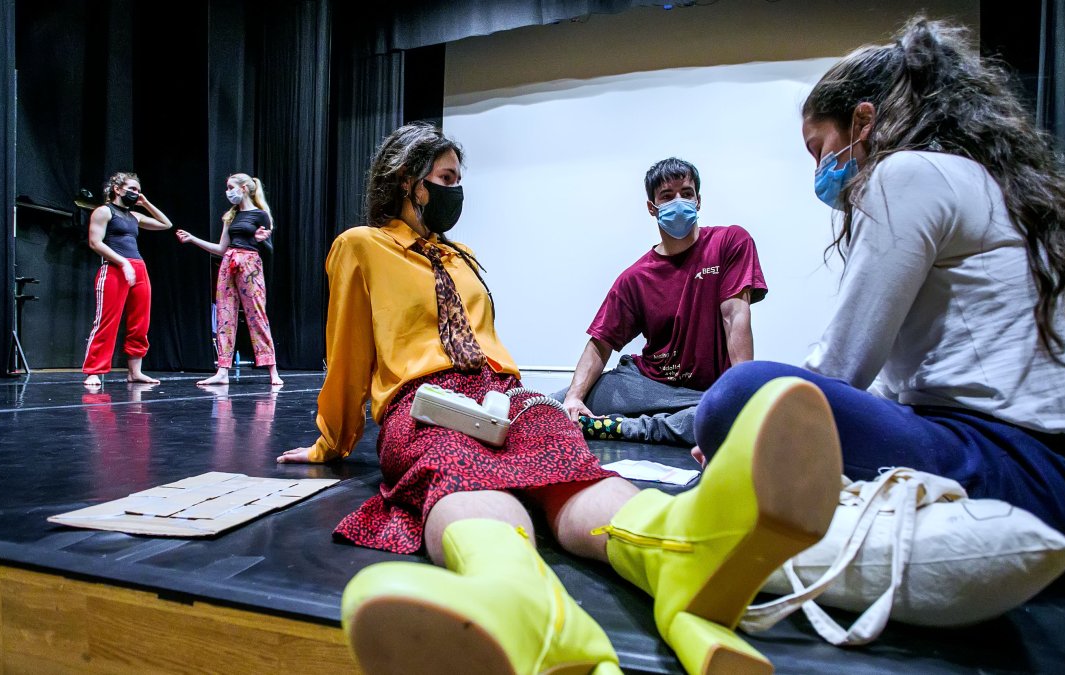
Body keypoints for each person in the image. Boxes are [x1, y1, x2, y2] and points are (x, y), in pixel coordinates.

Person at [277, 122, 842, 675]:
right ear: (409, 181)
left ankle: (677, 550)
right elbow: (348, 352)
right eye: (447, 179)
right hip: (425, 398)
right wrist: (332, 440)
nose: (456, 191)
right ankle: (516, 599)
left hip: (502, 393)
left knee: (570, 464)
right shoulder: (361, 246)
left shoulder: (461, 256)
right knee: (456, 464)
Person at [694, 17, 1065, 545]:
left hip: (1024, 470)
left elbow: (841, 366)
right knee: (754, 405)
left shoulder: (906, 174)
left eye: (818, 148)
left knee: (739, 395)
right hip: (1056, 478)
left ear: (863, 121)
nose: (818, 169)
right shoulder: (978, 181)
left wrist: (750, 430)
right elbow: (890, 387)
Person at [556, 158, 767, 447]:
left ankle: (628, 428)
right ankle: (631, 423)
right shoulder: (635, 278)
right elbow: (600, 344)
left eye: (686, 193)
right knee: (551, 407)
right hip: (646, 385)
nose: (678, 201)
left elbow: (735, 317)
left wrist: (740, 393)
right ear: (652, 207)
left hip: (703, 394)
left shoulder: (730, 242)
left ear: (698, 200)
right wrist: (574, 397)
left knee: (719, 419)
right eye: (667, 196)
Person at [175, 173, 282, 386]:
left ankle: (273, 370)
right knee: (224, 315)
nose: (228, 192)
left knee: (256, 314)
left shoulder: (261, 215)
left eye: (231, 187)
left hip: (249, 264)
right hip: (229, 263)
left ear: (244, 188)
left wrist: (260, 240)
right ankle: (222, 371)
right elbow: (221, 248)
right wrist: (193, 239)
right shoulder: (231, 216)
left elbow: (269, 249)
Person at [82, 172, 173, 387]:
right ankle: (94, 371)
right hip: (114, 268)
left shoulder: (134, 216)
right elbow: (95, 242)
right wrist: (123, 263)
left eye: (138, 190)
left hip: (138, 268)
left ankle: (135, 372)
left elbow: (166, 224)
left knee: (140, 322)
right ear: (117, 189)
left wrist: (146, 203)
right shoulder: (104, 211)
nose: (136, 193)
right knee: (107, 321)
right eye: (132, 189)